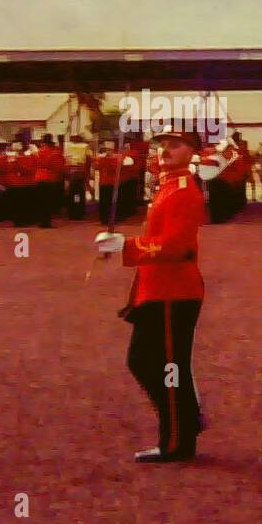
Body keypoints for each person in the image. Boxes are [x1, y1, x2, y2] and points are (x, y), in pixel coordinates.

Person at [94, 129, 206, 463]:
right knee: (154, 362)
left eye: (176, 145)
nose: (166, 150)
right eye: (163, 145)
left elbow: (176, 246)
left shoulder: (184, 190)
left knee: (160, 364)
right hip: (158, 287)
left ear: (191, 152)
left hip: (173, 290)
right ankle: (186, 421)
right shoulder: (168, 185)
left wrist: (125, 246)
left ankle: (176, 442)